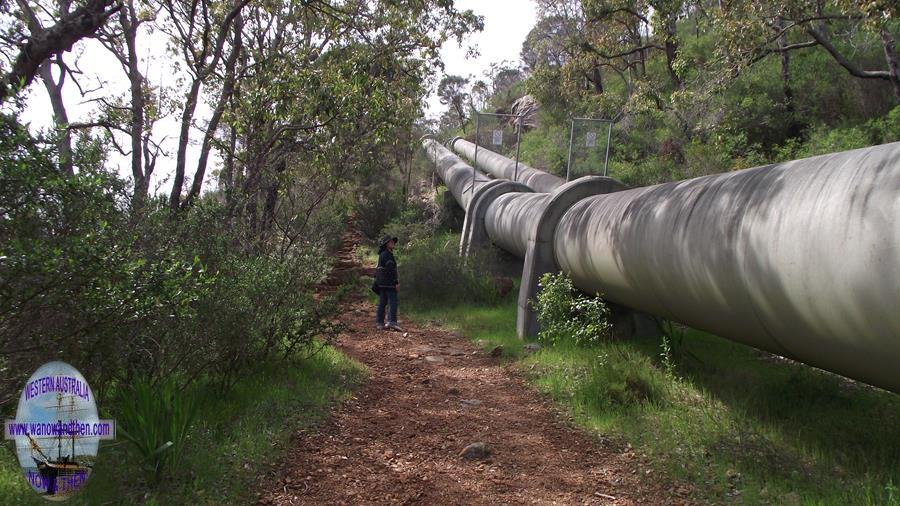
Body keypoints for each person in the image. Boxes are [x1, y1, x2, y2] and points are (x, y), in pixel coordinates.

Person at [375, 235, 403, 331]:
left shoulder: (382, 254)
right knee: (393, 301)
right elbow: (390, 270)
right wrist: (396, 283)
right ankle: (392, 322)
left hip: (382, 283)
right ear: (386, 244)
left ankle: (380, 323)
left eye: (393, 242)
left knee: (382, 302)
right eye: (390, 242)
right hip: (389, 283)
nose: (393, 243)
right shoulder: (388, 254)